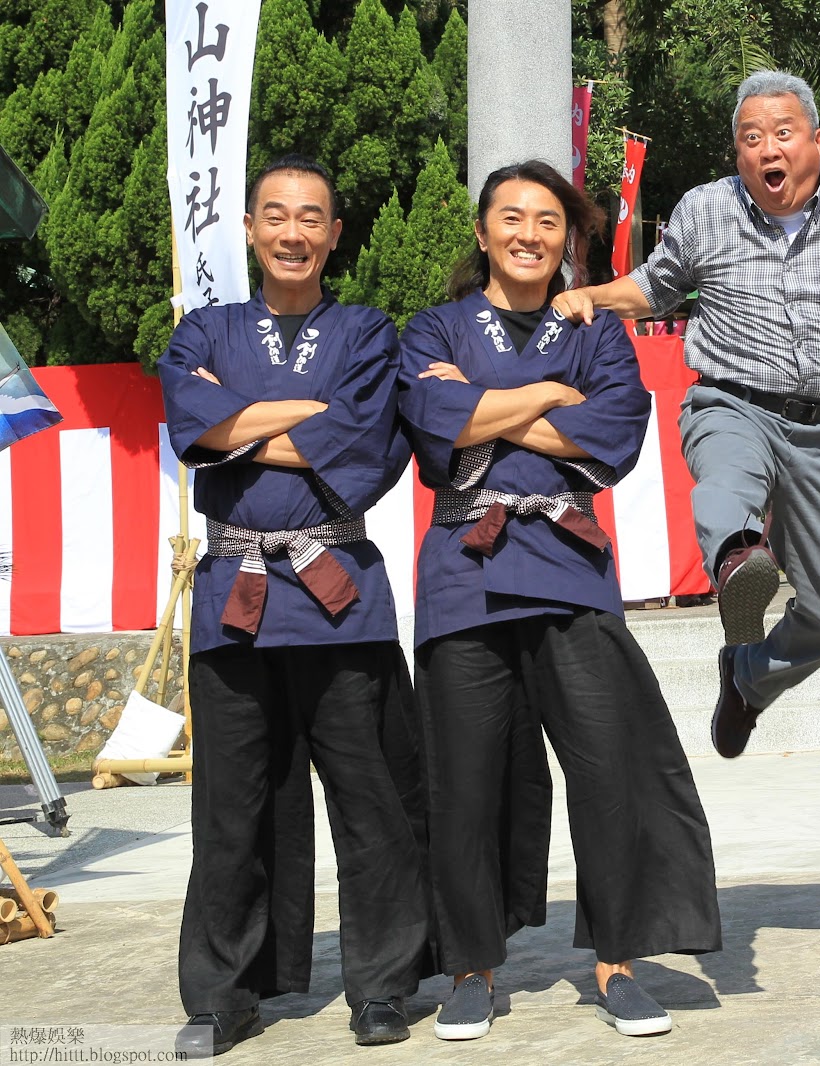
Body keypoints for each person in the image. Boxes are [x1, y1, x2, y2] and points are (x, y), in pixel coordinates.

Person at [397, 160, 721, 1042]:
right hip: (464, 574)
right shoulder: (433, 328)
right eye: (512, 217)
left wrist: (483, 406)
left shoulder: (596, 330)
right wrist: (546, 395)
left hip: (569, 569)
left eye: (548, 221)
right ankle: (471, 968)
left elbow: (611, 431)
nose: (530, 235)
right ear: (482, 232)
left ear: (566, 239)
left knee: (609, 769)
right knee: (463, 781)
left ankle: (617, 961)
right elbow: (433, 424)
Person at [554, 70, 820, 758]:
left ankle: (748, 676)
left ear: (818, 142)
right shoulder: (706, 209)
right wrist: (591, 298)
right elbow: (655, 286)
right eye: (751, 138)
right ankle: (738, 560)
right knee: (727, 482)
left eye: (783, 133)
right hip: (730, 401)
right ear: (737, 151)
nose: (768, 149)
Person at [158, 155, 430, 1054]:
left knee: (369, 796)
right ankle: (225, 994)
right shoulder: (204, 329)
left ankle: (383, 985)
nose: (292, 232)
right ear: (249, 229)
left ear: (334, 234)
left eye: (311, 217)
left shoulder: (365, 331)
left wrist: (235, 423)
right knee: (231, 807)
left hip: (337, 591)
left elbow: (363, 436)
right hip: (233, 595)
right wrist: (301, 417)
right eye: (274, 215)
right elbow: (190, 425)